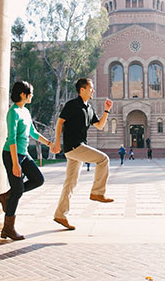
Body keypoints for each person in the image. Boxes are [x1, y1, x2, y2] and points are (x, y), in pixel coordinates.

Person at [51, 78, 114, 231]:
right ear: (82, 90)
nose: (93, 90)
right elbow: (60, 122)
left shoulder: (89, 108)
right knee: (103, 159)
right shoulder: (72, 105)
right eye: (91, 88)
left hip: (78, 148)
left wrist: (106, 110)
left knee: (70, 183)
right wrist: (57, 142)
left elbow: (99, 125)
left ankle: (60, 214)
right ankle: (97, 192)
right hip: (74, 146)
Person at [0, 81, 53, 240]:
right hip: (11, 154)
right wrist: (15, 163)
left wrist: (50, 144)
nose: (32, 96)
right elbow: (12, 139)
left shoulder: (25, 112)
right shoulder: (13, 112)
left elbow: (33, 133)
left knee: (38, 179)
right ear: (23, 94)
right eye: (30, 93)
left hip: (24, 154)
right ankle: (8, 229)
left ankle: (6, 196)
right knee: (18, 191)